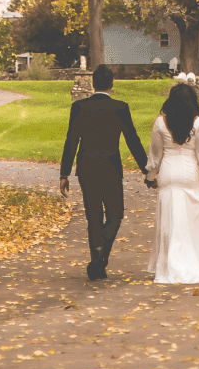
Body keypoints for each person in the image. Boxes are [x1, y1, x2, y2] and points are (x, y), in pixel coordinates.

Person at [59, 64, 150, 281]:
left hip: (87, 166)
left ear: (92, 83)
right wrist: (147, 170)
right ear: (112, 84)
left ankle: (97, 260)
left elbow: (72, 140)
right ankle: (101, 253)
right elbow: (133, 140)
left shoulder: (80, 107)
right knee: (115, 213)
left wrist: (64, 173)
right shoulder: (120, 108)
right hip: (110, 166)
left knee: (94, 215)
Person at [145, 82, 199, 284]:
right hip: (189, 173)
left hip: (168, 172)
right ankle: (187, 259)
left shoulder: (160, 123)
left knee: (168, 220)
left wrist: (151, 176)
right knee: (187, 218)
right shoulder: (198, 123)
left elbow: (156, 154)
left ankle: (169, 264)